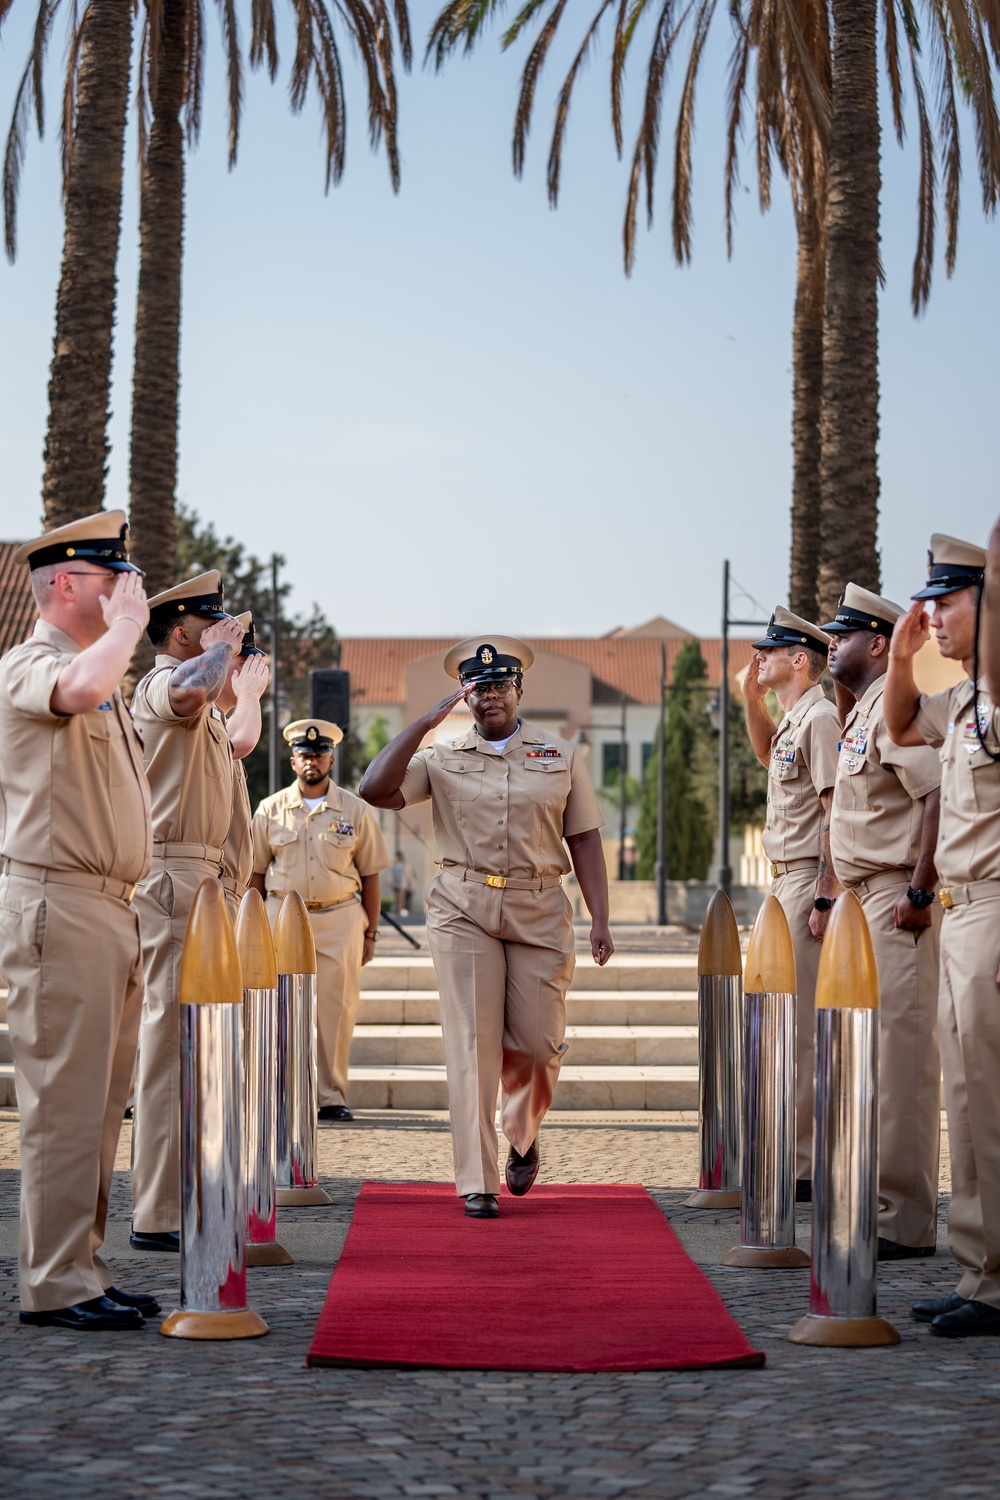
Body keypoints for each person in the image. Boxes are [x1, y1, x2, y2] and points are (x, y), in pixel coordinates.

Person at [359, 636, 613, 1219]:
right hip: (463, 906)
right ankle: (477, 1179)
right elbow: (376, 789)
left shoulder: (561, 754)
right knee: (471, 1044)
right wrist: (423, 724)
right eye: (478, 687)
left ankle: (522, 1133)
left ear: (519, 690)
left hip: (540, 906)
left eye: (500, 685)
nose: (489, 695)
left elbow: (585, 839)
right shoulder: (441, 755)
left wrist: (600, 917)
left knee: (536, 1045)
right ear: (465, 696)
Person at [0, 511, 160, 1330]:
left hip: (107, 907)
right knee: (63, 1102)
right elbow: (82, 689)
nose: (128, 591)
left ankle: (82, 1268)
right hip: (58, 903)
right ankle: (55, 1282)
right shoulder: (33, 663)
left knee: (98, 1106)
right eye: (112, 579)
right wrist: (131, 627)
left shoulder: (102, 673)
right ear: (65, 585)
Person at [885, 533, 1000, 1338]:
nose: (934, 618)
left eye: (948, 603)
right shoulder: (960, 703)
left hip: (993, 906)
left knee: (989, 1100)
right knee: (970, 1099)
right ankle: (980, 1272)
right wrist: (902, 654)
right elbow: (897, 723)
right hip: (961, 912)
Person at [129, 572, 253, 1252]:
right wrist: (224, 654)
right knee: (169, 1050)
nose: (227, 632)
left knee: (194, 1050)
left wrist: (244, 683)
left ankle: (182, 1198)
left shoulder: (205, 710)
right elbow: (187, 688)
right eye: (214, 624)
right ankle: (157, 1213)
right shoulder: (162, 685)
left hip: (205, 885)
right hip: (173, 878)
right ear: (182, 631)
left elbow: (237, 738)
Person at [824, 583, 942, 1260]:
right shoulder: (861, 712)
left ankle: (903, 1222)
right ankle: (878, 1206)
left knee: (900, 1066)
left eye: (842, 636)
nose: (828, 645)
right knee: (868, 1062)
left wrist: (921, 891)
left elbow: (935, 797)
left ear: (877, 644)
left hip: (896, 899)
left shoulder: (894, 715)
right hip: (861, 901)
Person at [743, 606, 840, 1197]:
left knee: (801, 1026)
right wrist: (751, 699)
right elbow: (765, 760)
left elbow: (834, 808)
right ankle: (789, 1151)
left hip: (806, 877)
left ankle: (804, 1165)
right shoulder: (793, 719)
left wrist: (826, 892)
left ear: (799, 660)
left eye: (770, 651)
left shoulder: (821, 717)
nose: (760, 659)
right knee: (777, 1021)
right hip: (781, 882)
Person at [251, 718, 390, 1121]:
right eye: (304, 755)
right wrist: (256, 929)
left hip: (339, 918)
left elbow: (370, 874)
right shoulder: (270, 809)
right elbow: (256, 873)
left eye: (319, 754)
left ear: (331, 759)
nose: (312, 761)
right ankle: (281, 1094)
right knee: (277, 1007)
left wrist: (371, 933)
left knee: (335, 1008)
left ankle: (330, 1095)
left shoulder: (354, 809)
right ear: (293, 761)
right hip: (281, 919)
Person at [218, 612, 270, 920]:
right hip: (206, 887)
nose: (251, 670)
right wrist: (249, 695)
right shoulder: (198, 716)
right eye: (242, 660)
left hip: (227, 890)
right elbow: (241, 742)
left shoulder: (219, 719)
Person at [390, 849, 414, 916]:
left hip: (403, 883)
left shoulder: (405, 864)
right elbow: (391, 873)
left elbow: (409, 874)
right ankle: (397, 909)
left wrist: (411, 882)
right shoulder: (394, 864)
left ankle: (400, 909)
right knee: (397, 897)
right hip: (396, 883)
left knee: (401, 897)